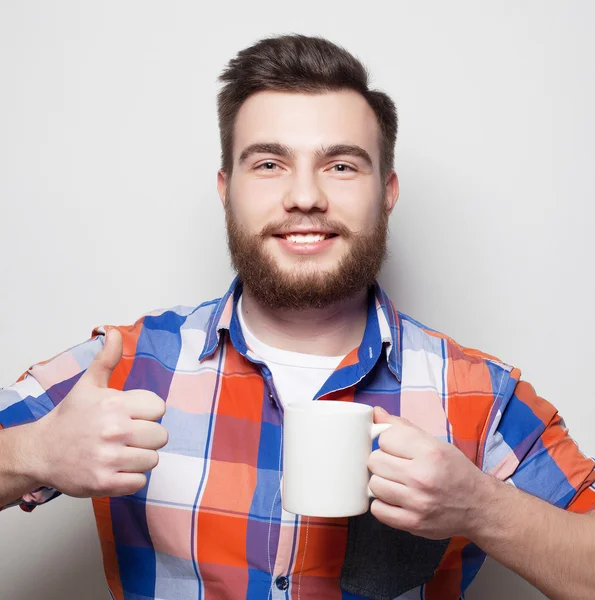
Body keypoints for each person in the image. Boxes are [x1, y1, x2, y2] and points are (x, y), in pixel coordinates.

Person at [0, 34, 594, 600]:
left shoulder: (482, 396)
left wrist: (479, 507)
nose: (305, 197)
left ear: (387, 191)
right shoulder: (125, 365)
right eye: (268, 164)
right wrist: (34, 454)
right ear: (225, 187)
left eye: (340, 166)